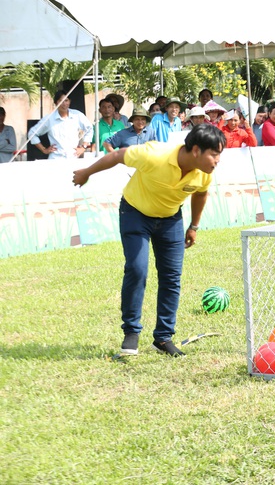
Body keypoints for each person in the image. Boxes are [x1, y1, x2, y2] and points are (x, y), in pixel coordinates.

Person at [72, 124, 226, 358]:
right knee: (137, 269)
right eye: (214, 154)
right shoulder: (155, 154)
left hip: (171, 219)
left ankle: (163, 338)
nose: (217, 161)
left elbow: (200, 194)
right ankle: (131, 334)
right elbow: (117, 155)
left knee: (171, 277)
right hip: (136, 214)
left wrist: (194, 226)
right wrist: (86, 172)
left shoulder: (204, 173)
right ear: (196, 150)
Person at [28, 90, 93, 159]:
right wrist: (44, 150)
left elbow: (90, 129)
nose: (64, 104)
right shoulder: (49, 119)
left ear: (69, 101)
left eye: (66, 100)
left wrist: (83, 147)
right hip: (55, 158)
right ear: (56, 103)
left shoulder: (77, 115)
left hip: (73, 157)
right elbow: (32, 133)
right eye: (61, 101)